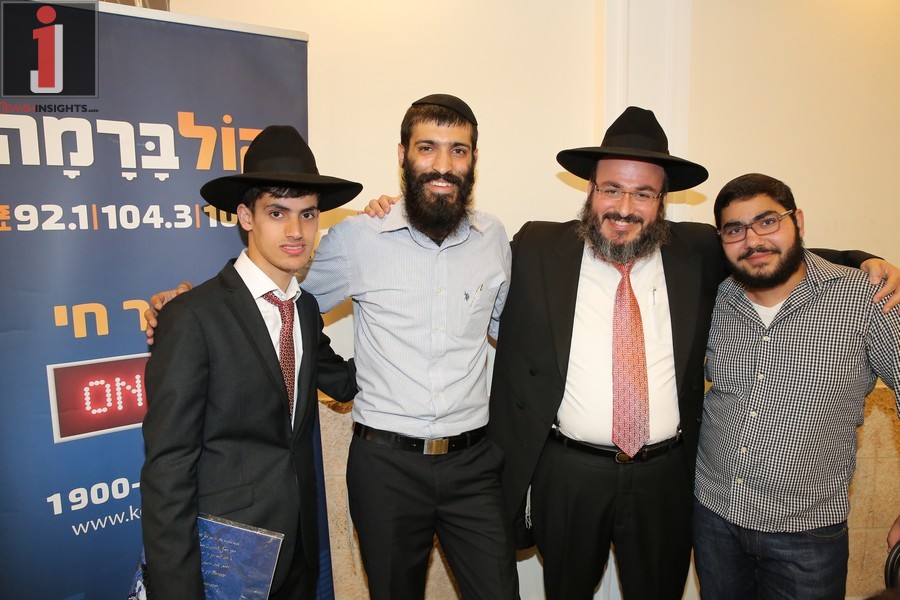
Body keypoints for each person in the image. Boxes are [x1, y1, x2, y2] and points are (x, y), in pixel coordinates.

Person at [485, 107, 899, 600]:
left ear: (662, 201)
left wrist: (863, 260)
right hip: (569, 472)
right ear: (590, 191)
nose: (624, 207)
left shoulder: (698, 249)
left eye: (643, 193)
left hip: (666, 477)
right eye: (612, 188)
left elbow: (772, 252)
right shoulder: (536, 245)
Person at [145, 95, 519, 600]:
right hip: (372, 474)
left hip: (467, 465)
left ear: (474, 159)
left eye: (458, 150)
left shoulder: (493, 239)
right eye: (427, 147)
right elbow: (260, 293)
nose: (295, 230)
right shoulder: (358, 239)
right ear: (404, 154)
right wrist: (181, 305)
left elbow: (309, 329)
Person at [140, 126, 361, 599]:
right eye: (277, 213)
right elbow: (168, 470)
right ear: (246, 216)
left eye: (307, 214)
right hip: (228, 562)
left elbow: (345, 381)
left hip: (299, 553)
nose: (296, 231)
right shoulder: (191, 316)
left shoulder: (304, 309)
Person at [692, 173, 900, 600]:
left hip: (807, 534)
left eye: (767, 221)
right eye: (735, 229)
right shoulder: (717, 298)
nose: (753, 240)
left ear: (798, 221)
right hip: (715, 518)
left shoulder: (864, 299)